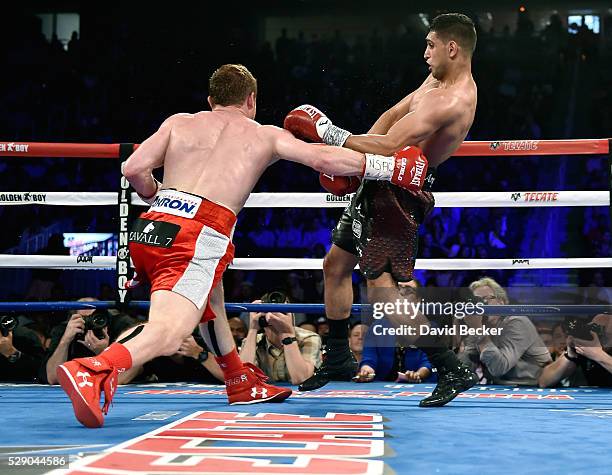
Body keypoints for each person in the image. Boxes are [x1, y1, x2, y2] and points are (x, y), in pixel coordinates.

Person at [57, 63, 433, 428]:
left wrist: (159, 195)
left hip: (154, 225)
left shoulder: (178, 122)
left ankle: (238, 379)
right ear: (251, 100)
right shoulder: (263, 134)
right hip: (198, 234)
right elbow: (321, 156)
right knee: (170, 330)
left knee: (211, 298)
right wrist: (391, 168)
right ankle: (94, 369)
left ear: (210, 99)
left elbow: (133, 168)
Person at [284, 13, 479, 406]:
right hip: (378, 179)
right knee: (335, 266)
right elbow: (392, 116)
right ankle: (338, 356)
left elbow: (392, 145)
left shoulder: (452, 99)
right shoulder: (434, 82)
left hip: (400, 194)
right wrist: (353, 155)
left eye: (430, 45)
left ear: (452, 48)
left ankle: (450, 365)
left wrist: (330, 134)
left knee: (384, 294)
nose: (425, 53)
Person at [459, 277, 551, 385]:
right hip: (496, 389)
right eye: (475, 302)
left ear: (501, 302)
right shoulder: (482, 326)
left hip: (530, 389)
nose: (480, 306)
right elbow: (464, 367)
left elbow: (499, 368)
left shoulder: (517, 322)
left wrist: (478, 330)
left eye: (484, 299)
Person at [240, 297, 322, 385]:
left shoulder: (308, 338)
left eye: (279, 310)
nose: (272, 314)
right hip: (268, 396)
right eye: (267, 310)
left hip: (301, 396)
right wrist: (253, 329)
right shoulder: (252, 341)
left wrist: (287, 333)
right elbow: (242, 378)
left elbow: (301, 378)